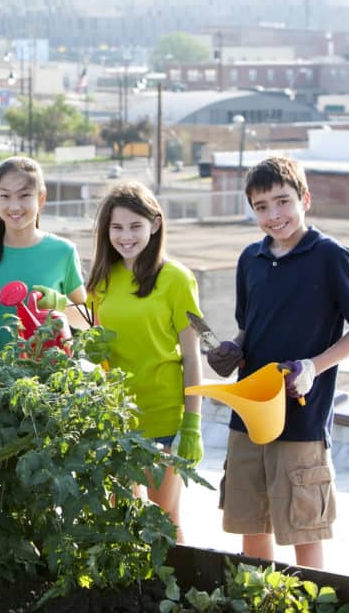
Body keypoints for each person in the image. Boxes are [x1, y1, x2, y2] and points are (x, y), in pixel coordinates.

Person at [209, 156, 349, 569]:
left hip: (302, 418)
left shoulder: (330, 255)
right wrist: (231, 348)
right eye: (261, 207)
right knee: (252, 526)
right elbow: (249, 327)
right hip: (248, 415)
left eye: (282, 201)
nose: (274, 214)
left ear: (305, 199)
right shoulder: (250, 258)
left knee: (305, 529)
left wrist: (313, 367)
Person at [85, 181, 204, 539]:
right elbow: (95, 333)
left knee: (163, 518)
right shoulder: (102, 278)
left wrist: (192, 425)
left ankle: (180, 594)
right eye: (117, 227)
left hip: (163, 419)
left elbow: (194, 355)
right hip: (115, 419)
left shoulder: (177, 279)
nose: (126, 237)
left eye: (135, 226)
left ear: (155, 224)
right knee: (120, 518)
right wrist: (66, 315)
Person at [0, 157, 86, 349]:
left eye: (24, 195)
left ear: (41, 199)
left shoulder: (63, 252)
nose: (15, 206)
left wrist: (61, 304)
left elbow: (87, 319)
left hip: (51, 374)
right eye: (5, 196)